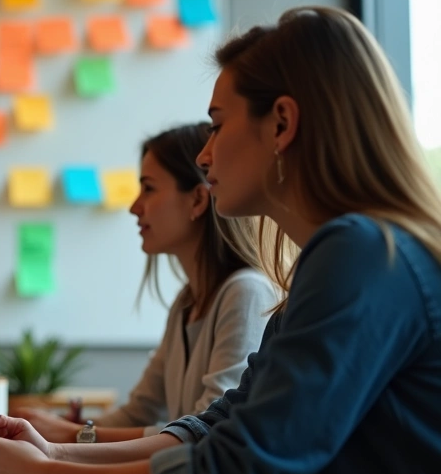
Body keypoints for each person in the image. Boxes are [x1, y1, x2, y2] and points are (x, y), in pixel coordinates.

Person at [0, 6, 441, 474]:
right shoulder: (337, 260)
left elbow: (241, 473)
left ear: (282, 123)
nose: (205, 155)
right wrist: (54, 454)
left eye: (216, 125)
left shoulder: (362, 255)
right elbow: (220, 425)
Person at [18, 122, 278, 444]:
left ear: (197, 200)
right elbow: (138, 413)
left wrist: (74, 436)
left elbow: (204, 430)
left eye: (149, 188)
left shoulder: (246, 293)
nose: (133, 207)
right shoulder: (186, 303)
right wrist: (58, 430)